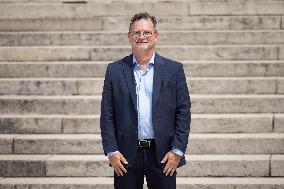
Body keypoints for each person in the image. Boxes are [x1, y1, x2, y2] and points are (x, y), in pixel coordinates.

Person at [100, 12, 191, 189]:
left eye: (147, 33)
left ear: (156, 36)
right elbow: (107, 114)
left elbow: (183, 111)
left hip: (164, 155)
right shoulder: (115, 70)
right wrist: (112, 150)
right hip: (125, 156)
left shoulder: (174, 69)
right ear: (129, 36)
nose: (142, 37)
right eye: (137, 33)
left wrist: (177, 150)